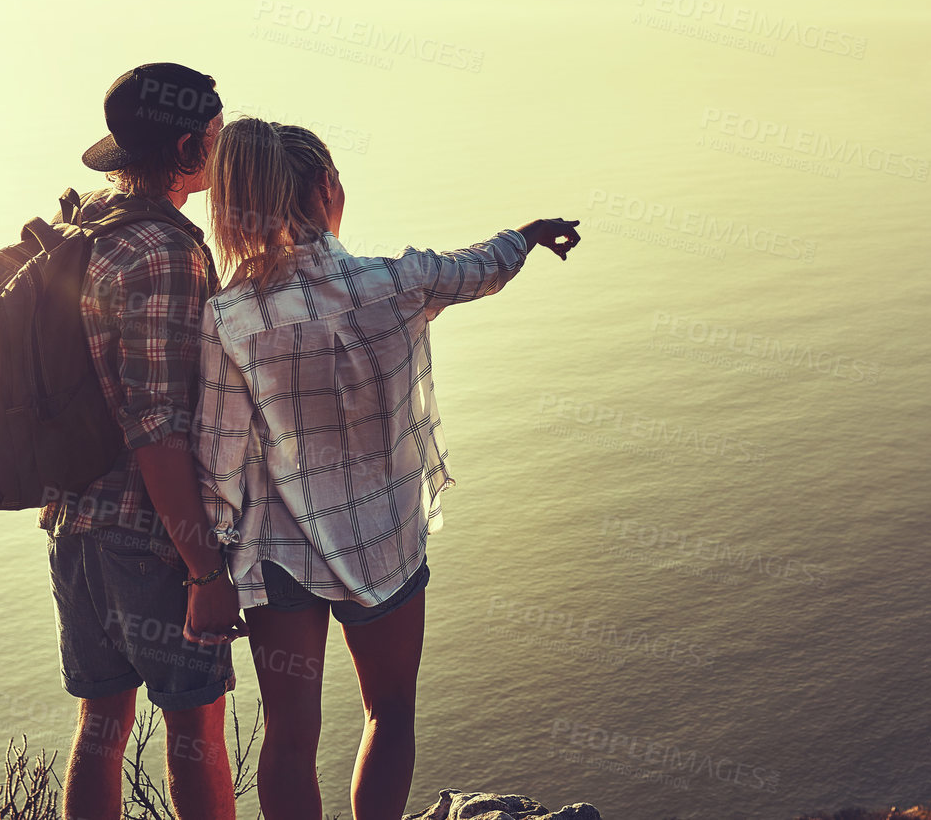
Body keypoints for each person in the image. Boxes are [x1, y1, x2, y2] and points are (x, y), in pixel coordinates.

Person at [192, 117, 579, 820]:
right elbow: (481, 266)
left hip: (280, 552)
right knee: (389, 710)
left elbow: (217, 457)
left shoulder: (227, 318)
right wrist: (529, 232)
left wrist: (211, 566)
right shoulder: (396, 284)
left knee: (288, 737)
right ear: (323, 191)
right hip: (386, 540)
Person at [41, 63, 248, 820]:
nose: (225, 153)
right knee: (194, 726)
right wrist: (202, 569)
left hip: (71, 520)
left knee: (100, 722)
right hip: (148, 537)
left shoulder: (90, 219)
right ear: (191, 145)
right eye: (220, 139)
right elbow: (156, 425)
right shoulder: (167, 252)